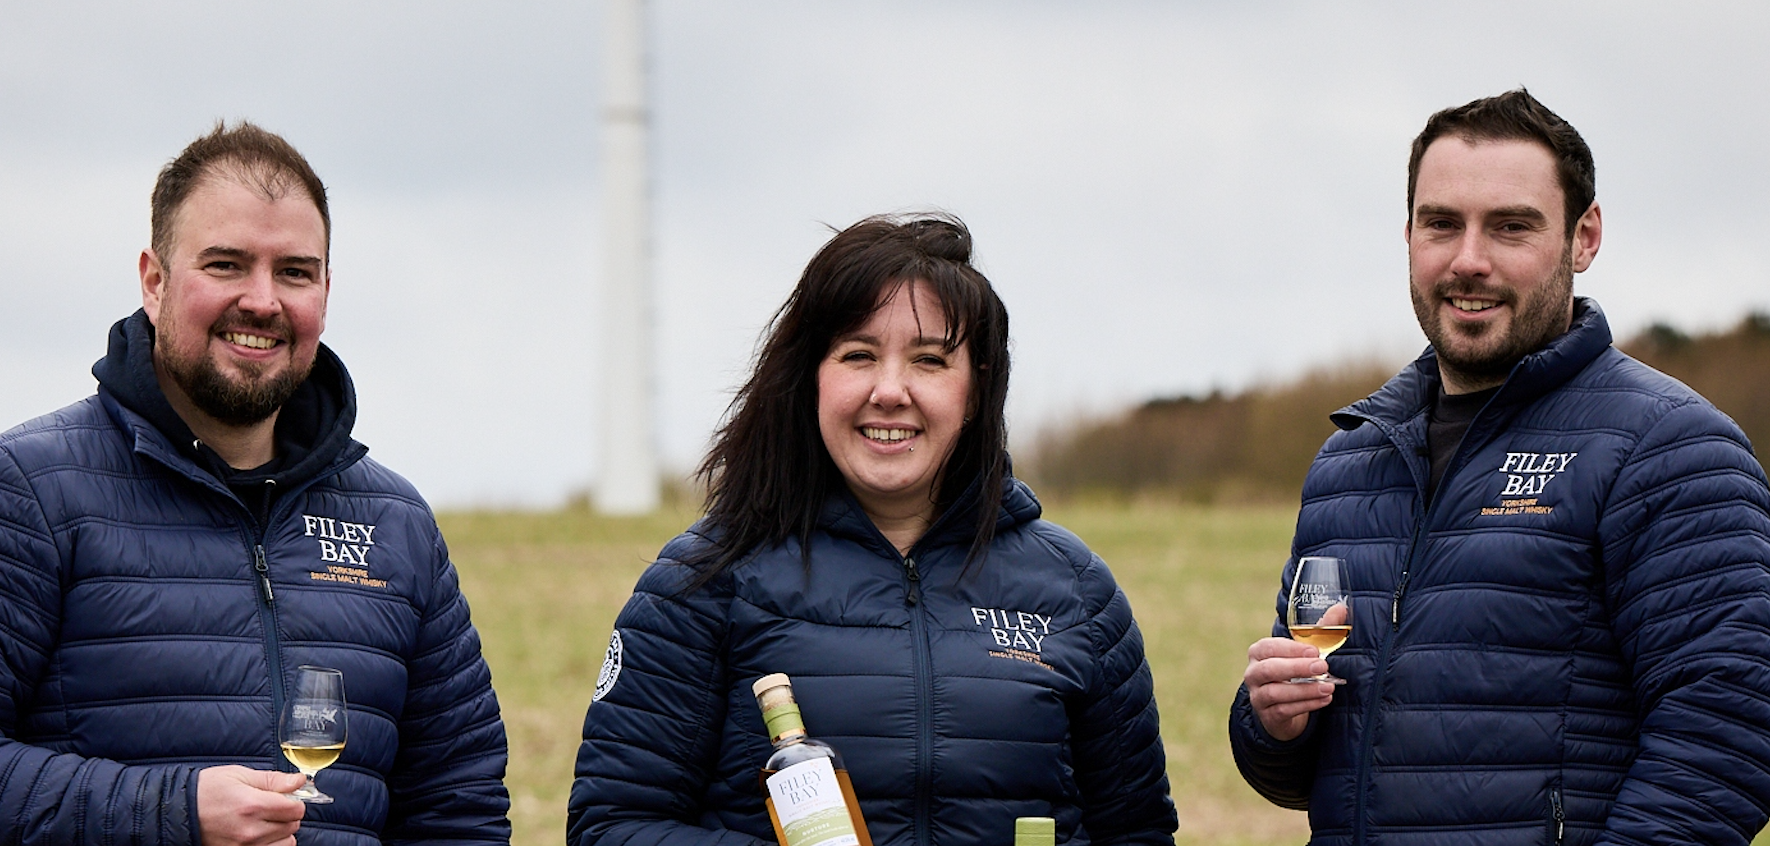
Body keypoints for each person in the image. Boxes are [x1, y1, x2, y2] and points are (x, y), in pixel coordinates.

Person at [1228, 89, 1770, 845]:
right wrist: (1269, 722)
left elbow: (1729, 733)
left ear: (1585, 239)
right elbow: (1308, 769)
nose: (1468, 259)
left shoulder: (1673, 450)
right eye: (1441, 224)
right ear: (1409, 235)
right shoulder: (1351, 459)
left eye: (1511, 227)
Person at [567, 214, 1177, 846]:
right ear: (811, 379)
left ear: (977, 389)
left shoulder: (1076, 591)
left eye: (930, 360)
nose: (890, 391)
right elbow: (609, 828)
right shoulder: (701, 583)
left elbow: (1139, 834)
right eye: (858, 355)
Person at [0, 122, 511, 845]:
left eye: (295, 272)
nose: (263, 300)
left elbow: (459, 810)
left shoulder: (397, 525)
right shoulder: (29, 490)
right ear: (154, 279)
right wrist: (169, 812)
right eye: (227, 264)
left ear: (326, 291)